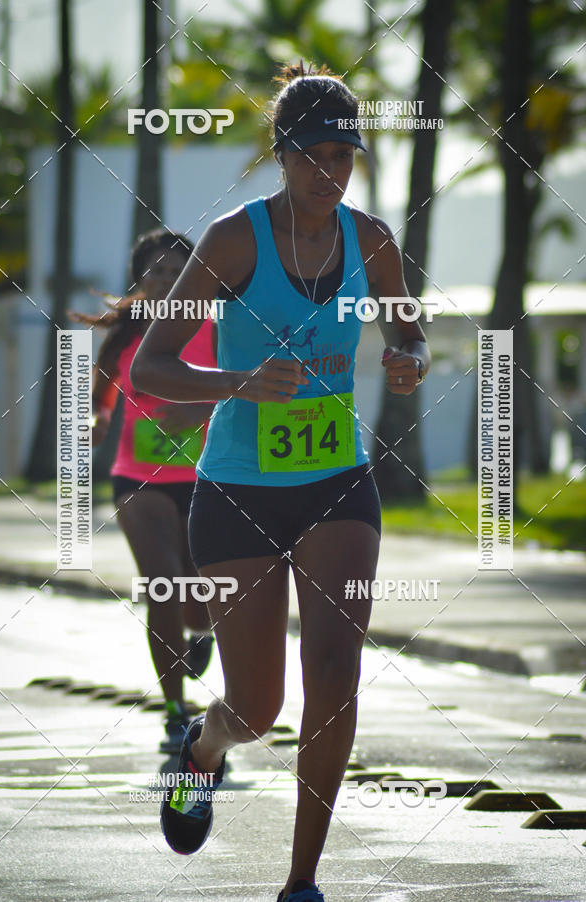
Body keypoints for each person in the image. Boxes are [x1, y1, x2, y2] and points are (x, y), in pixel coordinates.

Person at [131, 63, 430, 902]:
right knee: (256, 709)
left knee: (334, 670)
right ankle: (202, 750)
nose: (328, 172)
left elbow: (409, 336)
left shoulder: (373, 242)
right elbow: (152, 367)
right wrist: (238, 382)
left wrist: (408, 361)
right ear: (282, 156)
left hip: (337, 481)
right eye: (312, 156)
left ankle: (302, 881)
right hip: (238, 491)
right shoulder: (234, 241)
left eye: (343, 156)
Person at [71, 229, 218, 754]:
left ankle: (201, 633)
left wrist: (201, 408)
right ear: (141, 278)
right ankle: (176, 710)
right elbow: (102, 396)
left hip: (206, 480)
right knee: (163, 585)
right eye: (157, 271)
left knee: (200, 594)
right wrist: (96, 419)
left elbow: (245, 391)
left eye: (178, 271)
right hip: (139, 480)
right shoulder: (126, 338)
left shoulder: (214, 330)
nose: (167, 280)